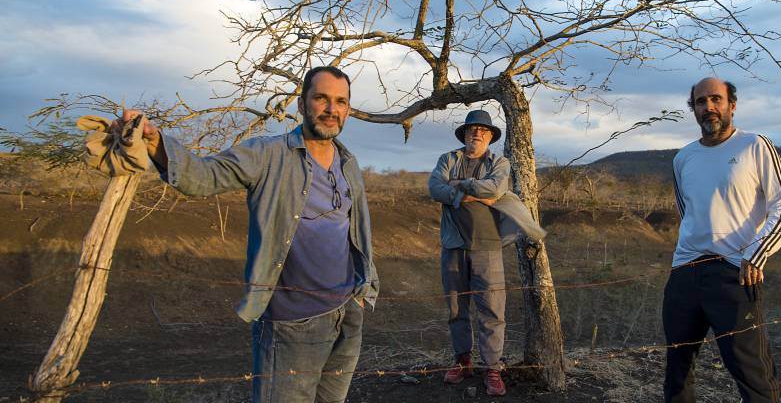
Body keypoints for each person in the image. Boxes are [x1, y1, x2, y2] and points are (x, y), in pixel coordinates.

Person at [118, 66, 378, 403]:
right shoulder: (267, 154)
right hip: (291, 322)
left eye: (341, 101)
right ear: (302, 105)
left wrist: (362, 291)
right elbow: (205, 176)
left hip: (346, 314)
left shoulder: (349, 163)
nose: (332, 109)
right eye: (322, 99)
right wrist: (155, 142)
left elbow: (357, 230)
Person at [663, 77, 781, 403]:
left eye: (716, 99)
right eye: (700, 102)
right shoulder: (683, 158)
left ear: (731, 105)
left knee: (752, 374)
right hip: (685, 272)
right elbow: (688, 212)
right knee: (677, 370)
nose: (709, 107)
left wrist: (756, 254)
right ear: (693, 109)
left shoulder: (754, 145)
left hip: (735, 273)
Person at [427, 109, 546, 397]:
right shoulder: (448, 159)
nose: (476, 134)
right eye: (471, 130)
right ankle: (463, 360)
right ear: (464, 134)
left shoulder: (499, 162)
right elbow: (434, 187)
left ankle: (492, 367)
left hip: (488, 245)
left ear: (490, 136)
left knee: (492, 310)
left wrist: (458, 185)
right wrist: (464, 193)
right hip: (454, 245)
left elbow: (495, 187)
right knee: (457, 308)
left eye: (482, 130)